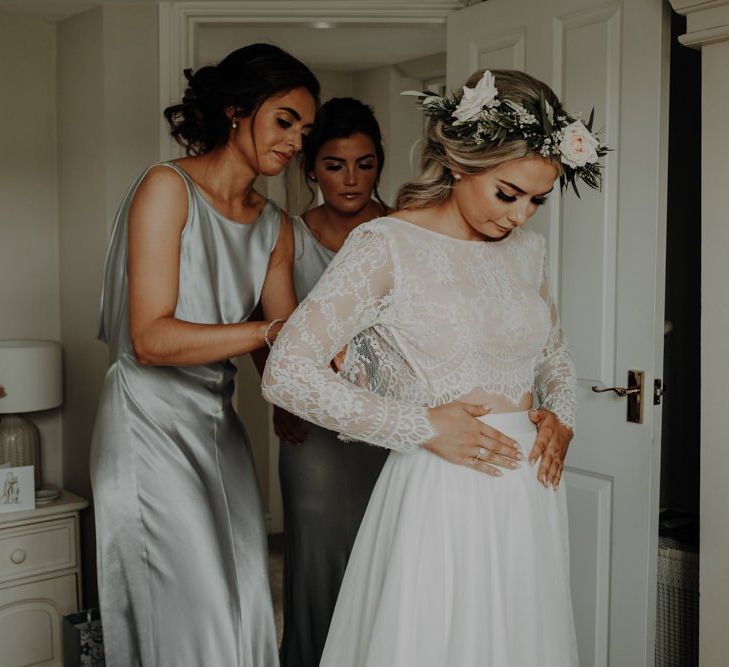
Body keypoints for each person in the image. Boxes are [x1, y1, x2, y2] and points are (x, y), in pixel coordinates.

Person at [263, 69, 606, 666]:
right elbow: (287, 370)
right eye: (508, 193)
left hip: (527, 491)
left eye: (537, 200)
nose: (522, 216)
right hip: (442, 487)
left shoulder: (528, 251)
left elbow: (551, 350)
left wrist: (562, 417)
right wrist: (423, 426)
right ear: (458, 163)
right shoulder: (386, 244)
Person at [90, 44, 318, 666]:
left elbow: (285, 345)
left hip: (219, 425)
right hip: (146, 423)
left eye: (305, 128)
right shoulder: (167, 188)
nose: (297, 141)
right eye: (285, 120)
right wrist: (270, 336)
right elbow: (152, 339)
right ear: (237, 111)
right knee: (188, 605)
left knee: (244, 593)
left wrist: (305, 392)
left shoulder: (275, 224)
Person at [275, 97, 389, 667]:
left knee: (389, 559)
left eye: (365, 164)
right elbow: (269, 326)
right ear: (311, 169)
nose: (351, 179)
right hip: (312, 428)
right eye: (335, 164)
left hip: (392, 429)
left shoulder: (404, 232)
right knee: (317, 561)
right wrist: (281, 396)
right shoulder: (288, 236)